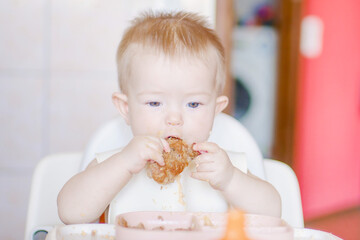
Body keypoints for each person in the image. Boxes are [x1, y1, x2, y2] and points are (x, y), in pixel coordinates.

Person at [57, 11, 281, 224]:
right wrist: (124, 163)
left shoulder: (224, 168)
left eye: (193, 104)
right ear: (126, 108)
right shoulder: (114, 164)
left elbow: (273, 214)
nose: (174, 119)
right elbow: (70, 213)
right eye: (155, 103)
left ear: (215, 109)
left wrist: (231, 179)